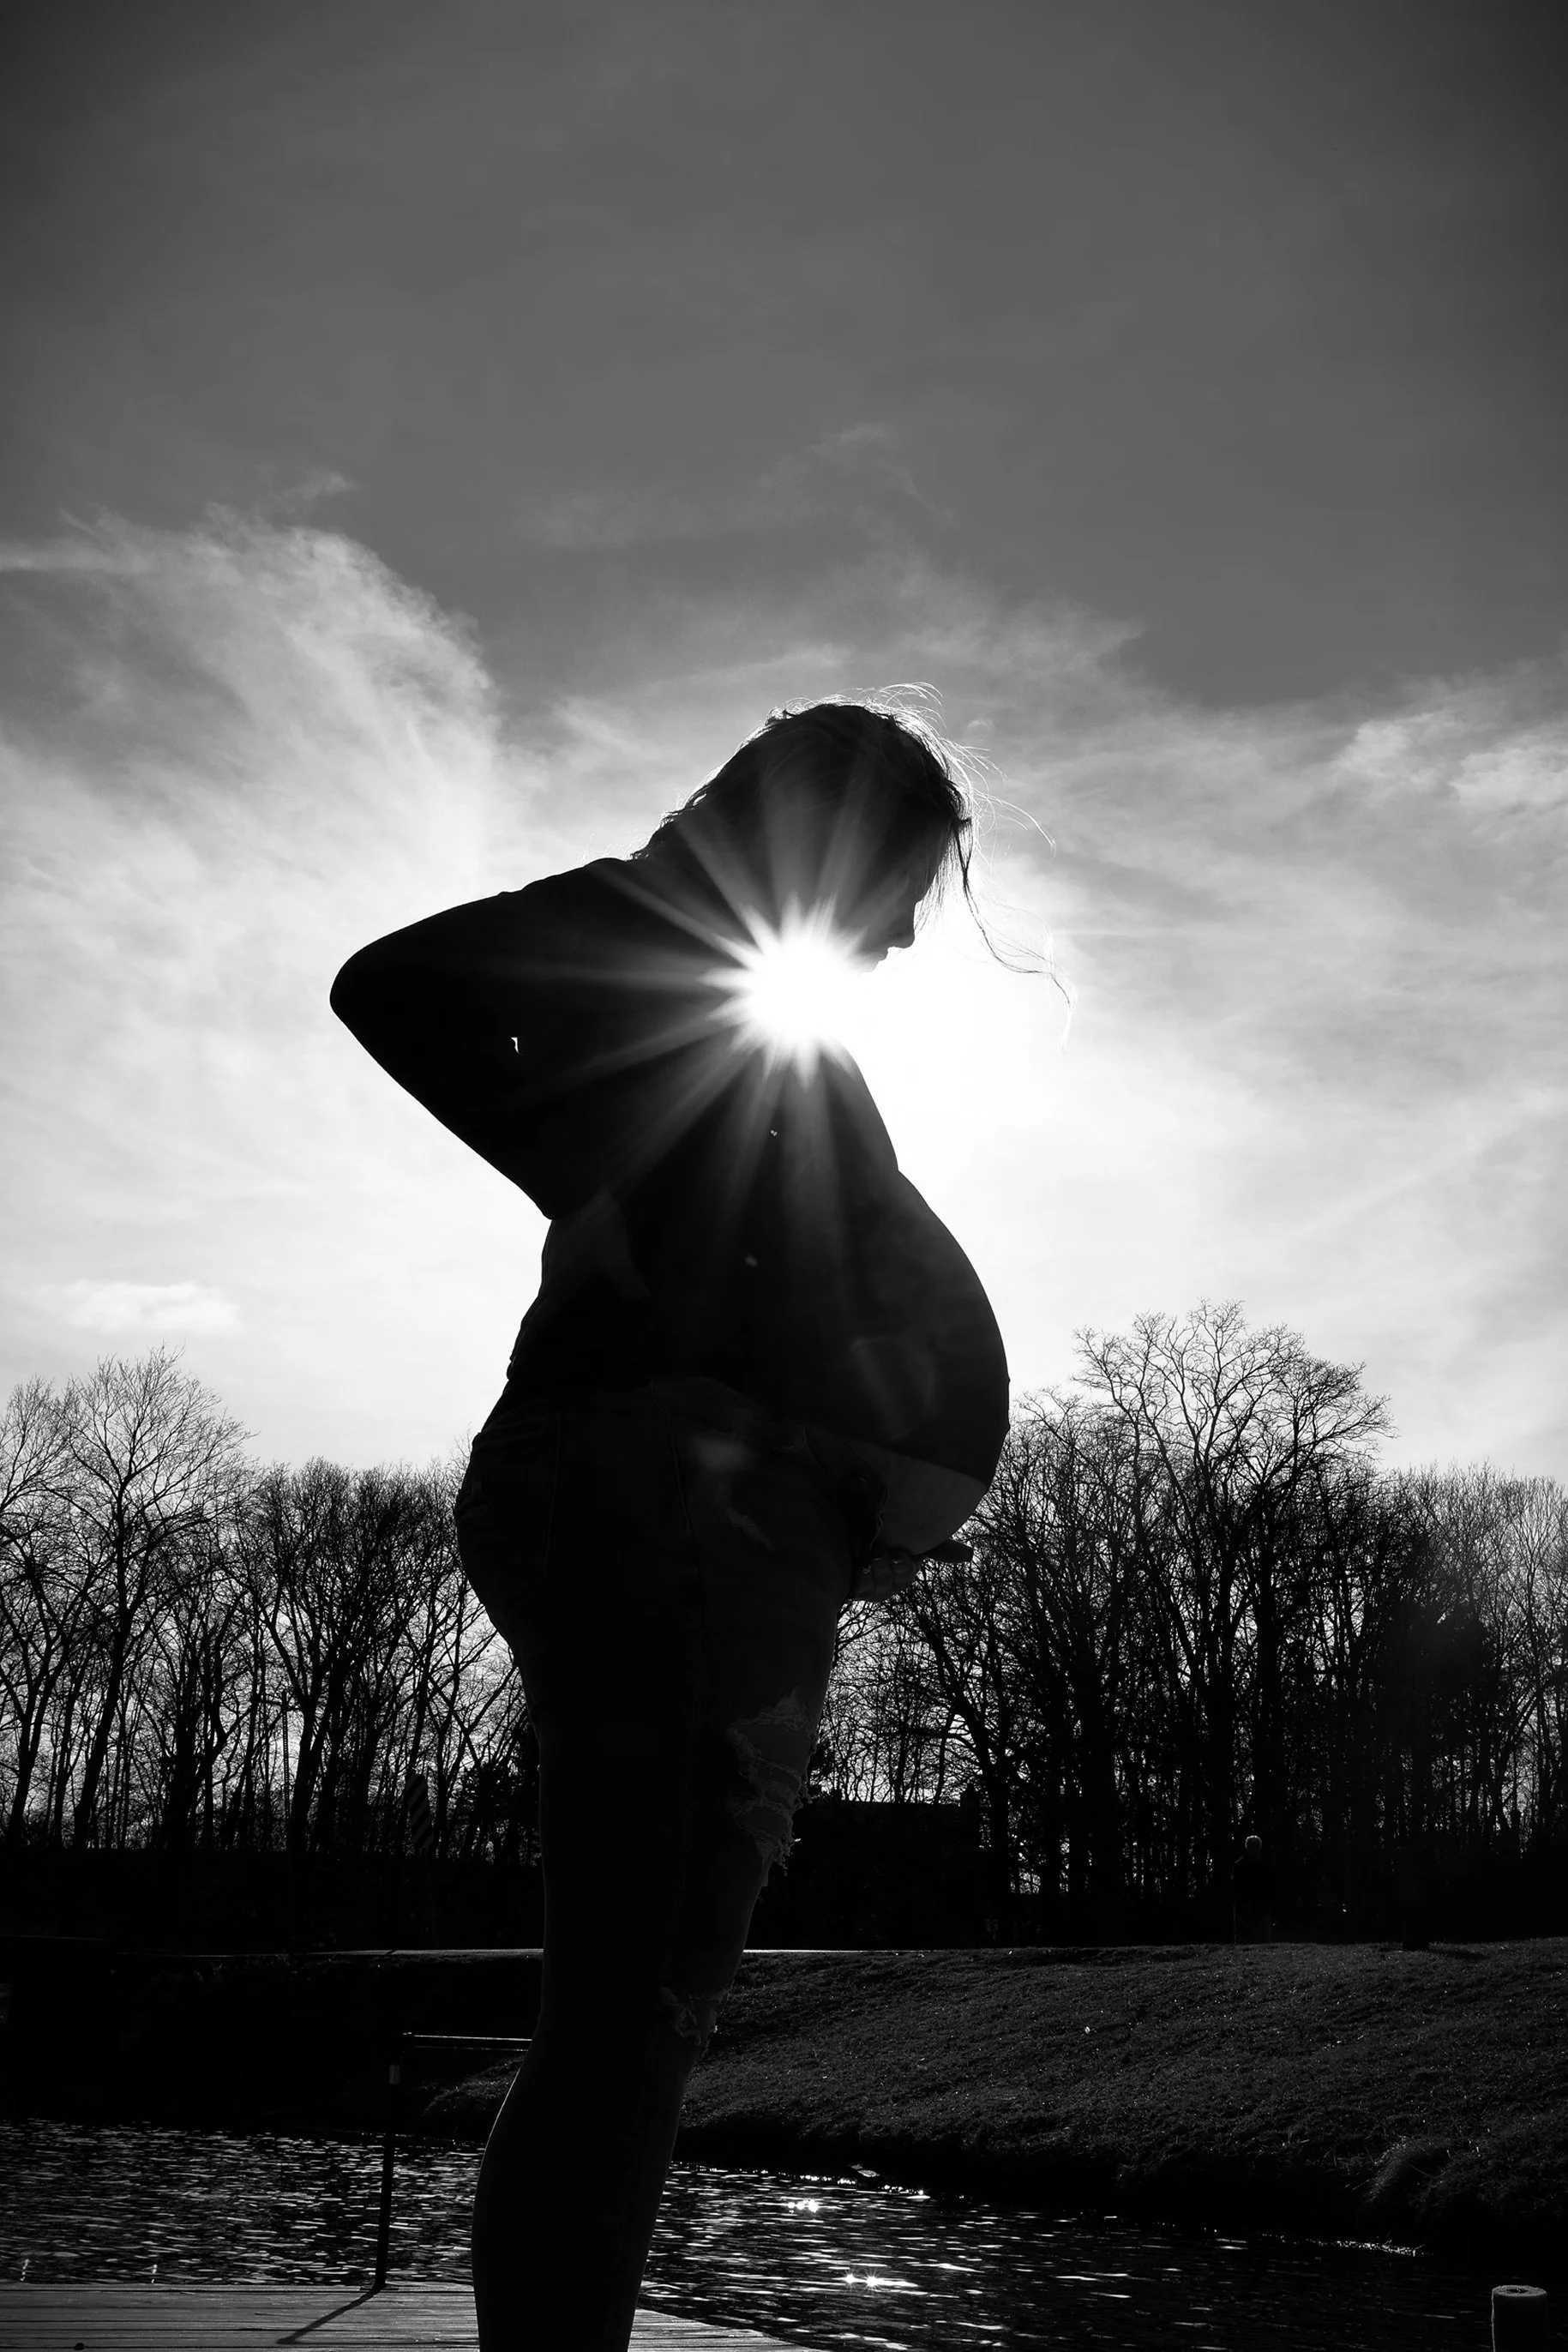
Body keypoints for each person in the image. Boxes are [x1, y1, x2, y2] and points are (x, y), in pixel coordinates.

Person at [330, 699, 1011, 2352]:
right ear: (825, 842)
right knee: (628, 2026)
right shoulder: (658, 930)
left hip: (701, 1512)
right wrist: (587, 1177)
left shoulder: (729, 995)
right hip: (670, 1505)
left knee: (629, 2023)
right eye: (901, 885)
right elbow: (391, 983)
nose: (909, 931)